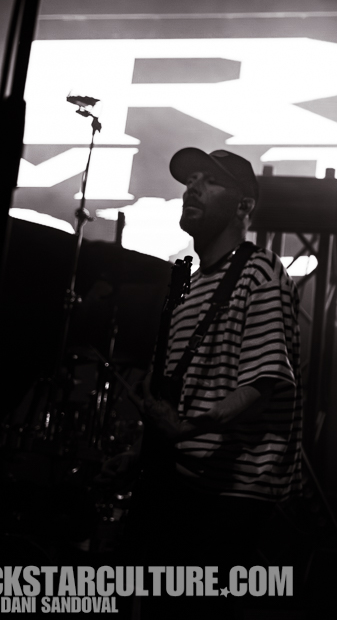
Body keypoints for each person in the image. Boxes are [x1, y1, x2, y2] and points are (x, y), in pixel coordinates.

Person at [106, 149, 305, 601]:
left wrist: (184, 429)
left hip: (232, 496)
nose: (191, 188)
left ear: (243, 206)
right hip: (183, 484)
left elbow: (262, 382)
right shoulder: (188, 287)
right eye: (189, 180)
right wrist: (144, 454)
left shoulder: (260, 271)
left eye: (209, 181)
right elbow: (184, 393)